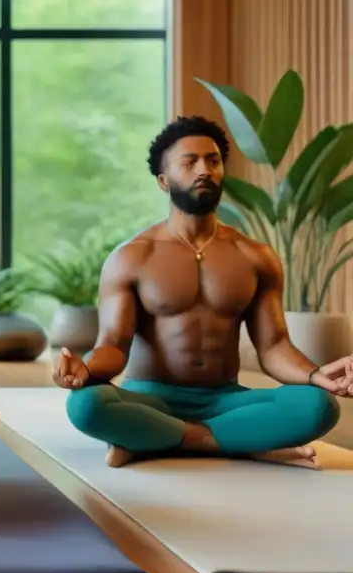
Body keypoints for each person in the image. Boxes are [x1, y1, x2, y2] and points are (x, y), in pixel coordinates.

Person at [54, 116, 351, 470]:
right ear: (164, 181)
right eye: (189, 161)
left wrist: (316, 376)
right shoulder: (132, 257)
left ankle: (158, 440)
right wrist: (84, 371)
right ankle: (239, 442)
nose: (204, 170)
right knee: (84, 406)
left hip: (225, 399)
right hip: (151, 398)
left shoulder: (255, 257)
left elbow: (273, 347)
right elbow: (114, 346)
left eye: (213, 160)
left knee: (318, 407)